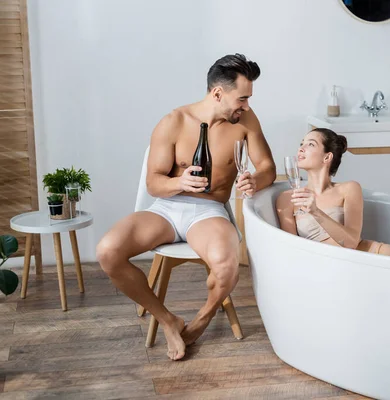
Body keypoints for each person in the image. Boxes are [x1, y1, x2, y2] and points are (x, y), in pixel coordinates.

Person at [96, 53, 276, 361]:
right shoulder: (174, 122)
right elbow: (153, 182)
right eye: (242, 98)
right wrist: (179, 183)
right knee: (108, 251)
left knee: (227, 264)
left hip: (208, 212)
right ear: (218, 93)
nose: (246, 105)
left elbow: (268, 167)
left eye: (249, 99)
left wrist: (256, 181)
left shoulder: (246, 120)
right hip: (166, 208)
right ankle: (168, 320)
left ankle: (201, 320)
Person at [276, 127, 390, 258]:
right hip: (330, 267)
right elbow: (292, 250)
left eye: (310, 144)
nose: (301, 148)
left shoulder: (349, 189)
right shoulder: (287, 199)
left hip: (374, 257)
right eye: (301, 144)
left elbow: (351, 243)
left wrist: (315, 211)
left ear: (327, 157)